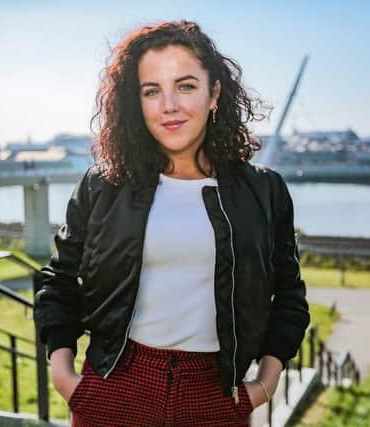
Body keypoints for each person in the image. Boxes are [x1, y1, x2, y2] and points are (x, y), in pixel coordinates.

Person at [33, 20, 310, 427]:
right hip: (114, 386)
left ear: (214, 92)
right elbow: (58, 281)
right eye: (151, 91)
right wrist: (64, 375)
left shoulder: (263, 191)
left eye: (185, 86)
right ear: (136, 102)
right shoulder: (103, 186)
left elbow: (288, 293)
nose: (169, 105)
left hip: (215, 394)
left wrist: (265, 383)